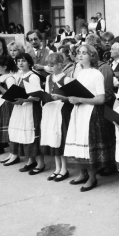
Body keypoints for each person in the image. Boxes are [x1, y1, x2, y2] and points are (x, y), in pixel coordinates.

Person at [64, 44, 114, 192]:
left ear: (92, 56)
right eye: (79, 53)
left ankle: (92, 178)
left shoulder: (96, 74)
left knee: (87, 143)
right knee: (78, 140)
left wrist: (80, 99)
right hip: (79, 111)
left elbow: (100, 99)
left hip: (91, 112)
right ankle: (82, 173)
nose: (80, 55)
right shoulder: (79, 73)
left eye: (84, 53)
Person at [6, 53, 45, 175]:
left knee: (33, 135)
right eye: (18, 61)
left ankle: (40, 163)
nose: (20, 63)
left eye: (23, 61)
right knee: (24, 134)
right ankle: (30, 160)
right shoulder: (19, 76)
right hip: (21, 108)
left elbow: (38, 96)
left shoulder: (33, 77)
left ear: (29, 62)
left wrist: (24, 100)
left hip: (31, 109)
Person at [40, 53, 74, 182]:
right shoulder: (49, 78)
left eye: (52, 65)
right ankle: (57, 167)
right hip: (51, 110)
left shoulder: (67, 79)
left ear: (60, 65)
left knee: (61, 138)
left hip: (62, 110)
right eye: (48, 65)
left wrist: (62, 98)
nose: (49, 68)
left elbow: (71, 98)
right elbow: (47, 93)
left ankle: (64, 168)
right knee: (52, 137)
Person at [0, 55, 18, 158]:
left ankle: (15, 154)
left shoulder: (9, 78)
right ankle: (12, 153)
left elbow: (11, 94)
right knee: (5, 131)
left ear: (4, 67)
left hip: (6, 106)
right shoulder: (1, 77)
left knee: (9, 130)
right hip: (0, 104)